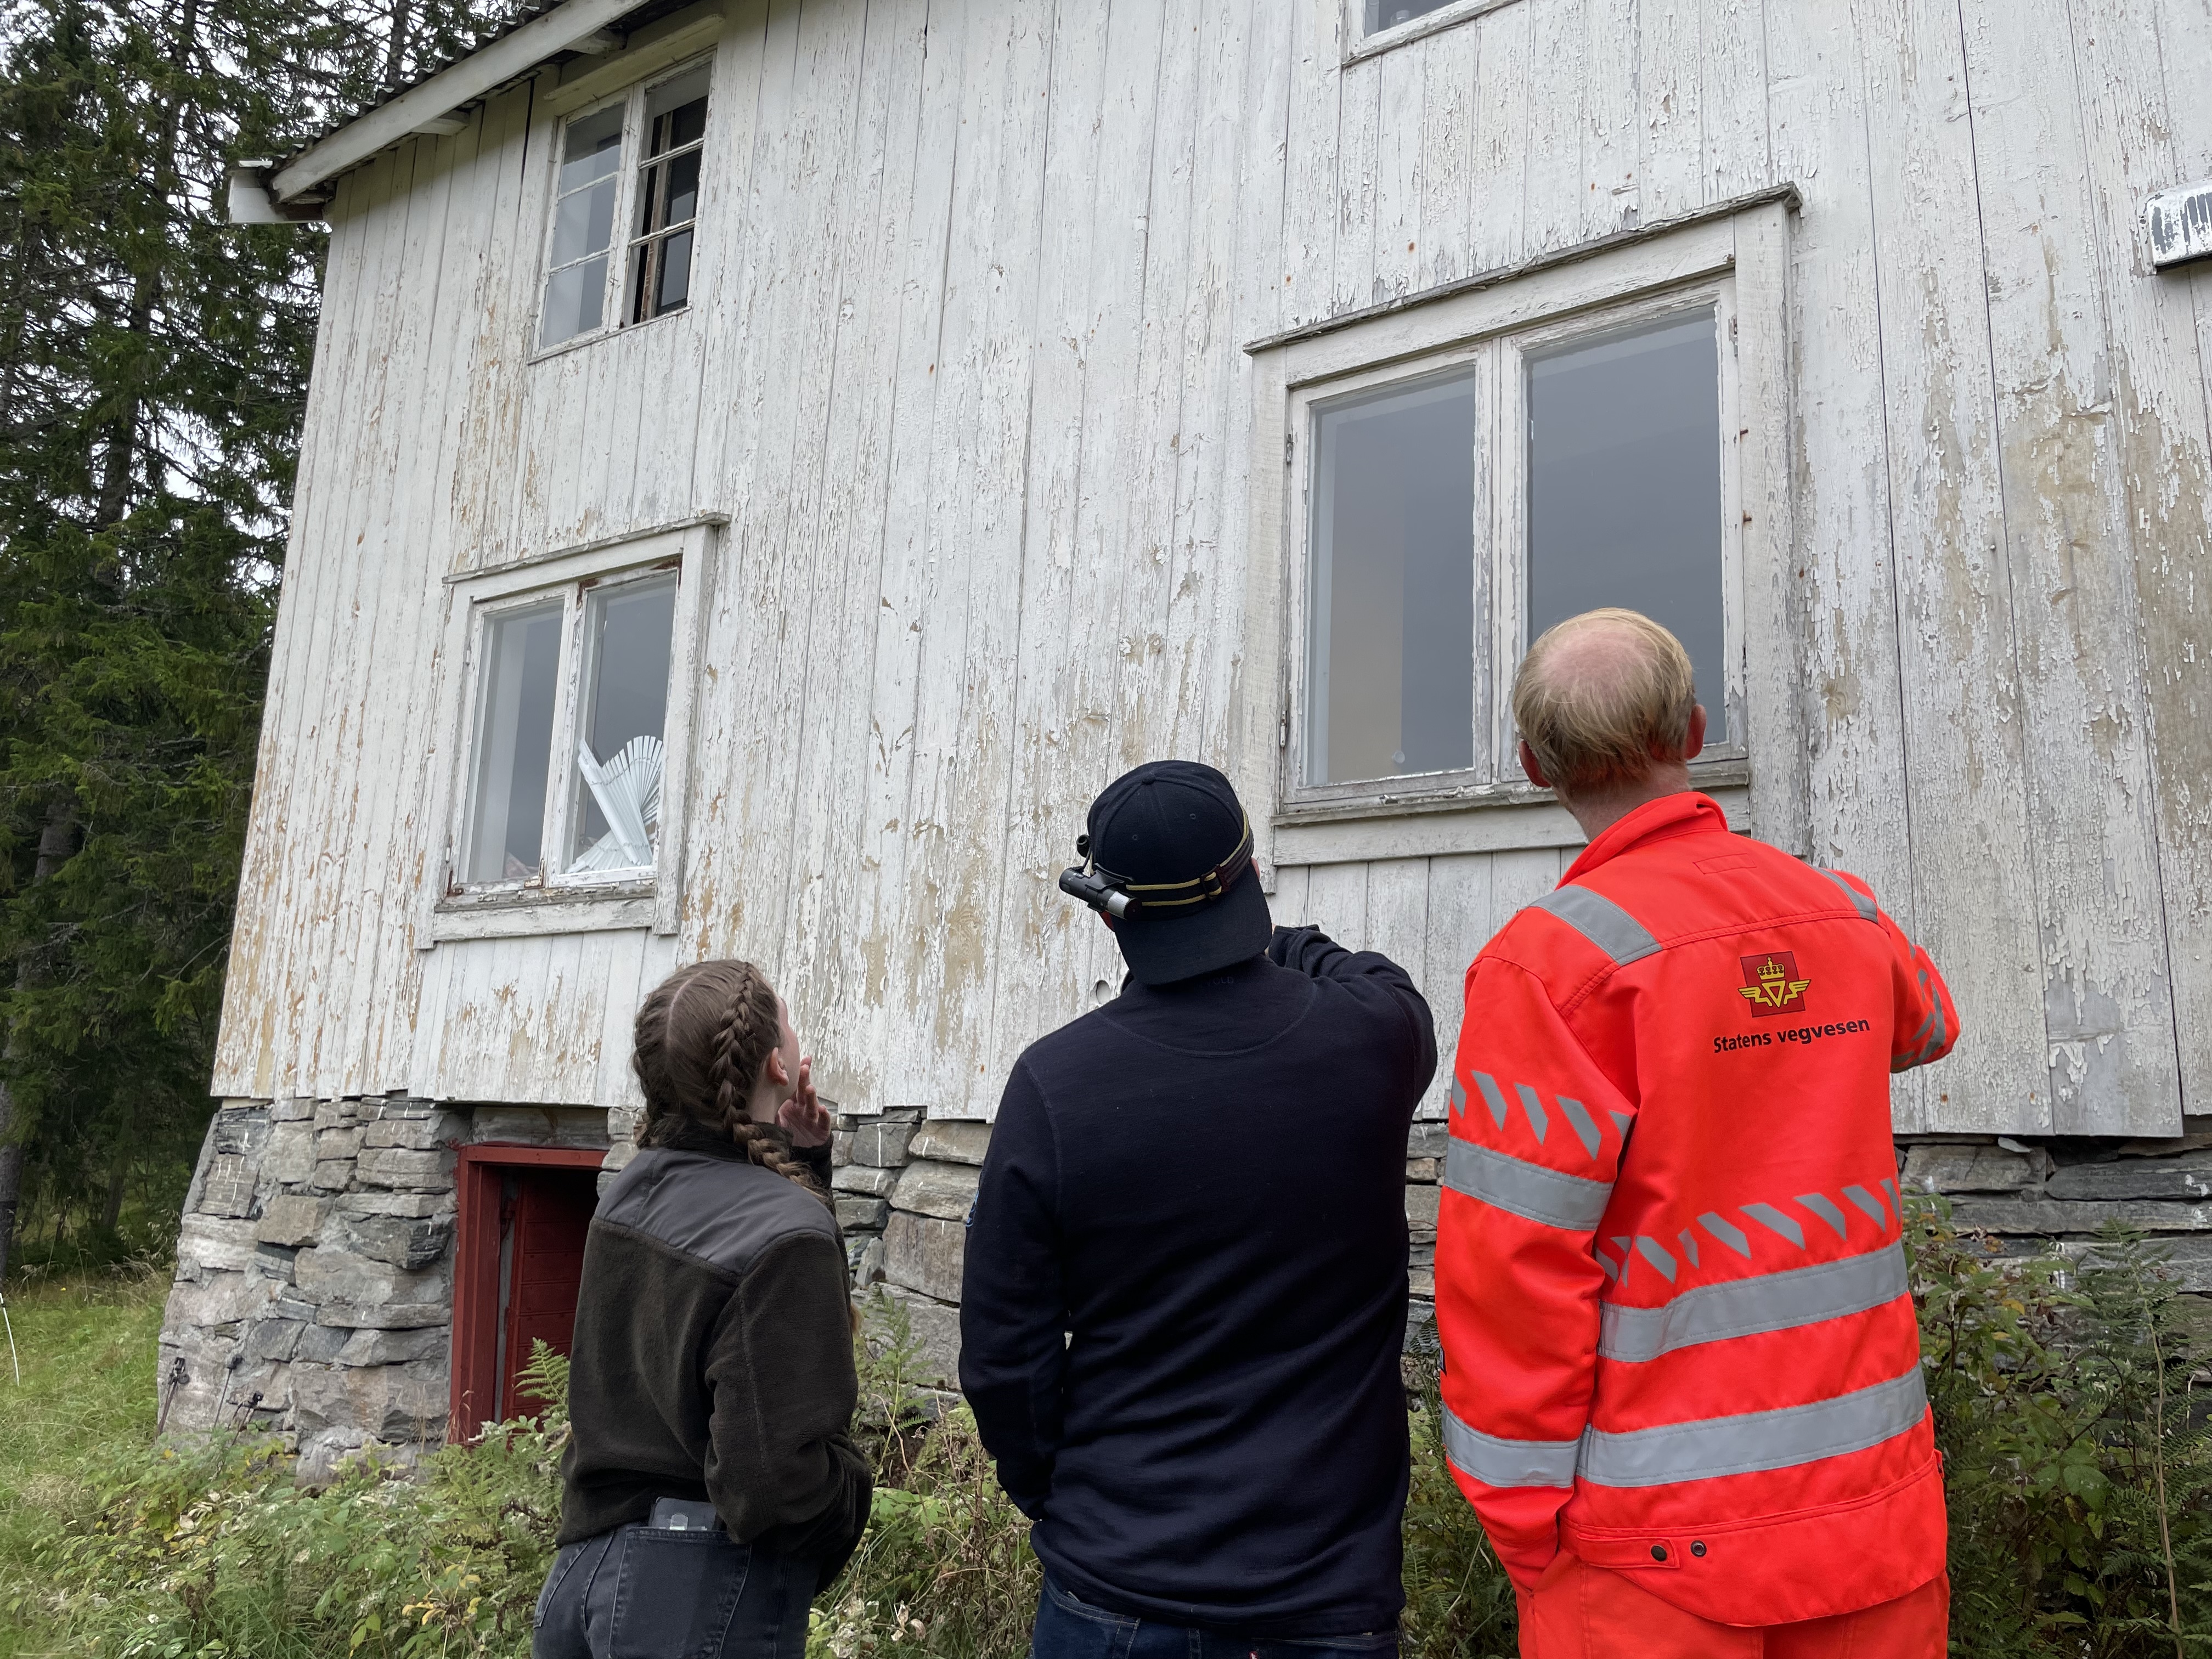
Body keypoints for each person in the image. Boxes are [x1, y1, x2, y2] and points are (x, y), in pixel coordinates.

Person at [1434, 609, 1958, 1657]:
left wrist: (1517, 1511)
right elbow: (1926, 1021)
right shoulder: (1841, 911)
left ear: (1536, 765)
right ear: (1695, 729)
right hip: (1874, 1511)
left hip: (1651, 1552)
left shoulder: (1549, 967)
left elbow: (1509, 1272)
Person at [960, 759, 1438, 1657]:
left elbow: (1002, 1358)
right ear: (1251, 875)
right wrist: (1267, 939)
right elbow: (1384, 979)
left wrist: (1065, 1493)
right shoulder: (1372, 1042)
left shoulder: (1055, 1086)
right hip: (1325, 1598)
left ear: (1109, 909)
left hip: (1115, 1584)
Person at [533, 960, 872, 1659]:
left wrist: (803, 1162)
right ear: (780, 1064)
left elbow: (732, 1243)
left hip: (579, 1580)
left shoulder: (630, 1190)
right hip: (693, 1599)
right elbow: (775, 1482)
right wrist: (850, 1498)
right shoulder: (785, 1234)